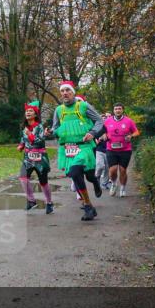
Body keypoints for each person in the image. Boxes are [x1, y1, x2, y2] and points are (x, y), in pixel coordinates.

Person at [46, 81, 105, 221]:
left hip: (83, 146)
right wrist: (49, 133)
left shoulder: (83, 106)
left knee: (89, 175)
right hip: (67, 148)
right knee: (74, 173)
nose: (65, 93)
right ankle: (88, 206)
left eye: (68, 90)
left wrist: (92, 133)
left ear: (73, 92)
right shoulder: (59, 110)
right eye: (62, 91)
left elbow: (99, 121)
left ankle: (95, 182)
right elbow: (56, 128)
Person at [17, 101, 54, 214]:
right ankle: (31, 201)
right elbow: (23, 139)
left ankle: (49, 202)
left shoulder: (39, 127)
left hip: (40, 158)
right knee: (23, 178)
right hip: (28, 158)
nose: (28, 112)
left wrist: (29, 134)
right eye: (27, 111)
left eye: (30, 111)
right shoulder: (25, 127)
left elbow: (39, 141)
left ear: (35, 114)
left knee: (43, 182)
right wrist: (21, 145)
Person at [102, 103, 141, 197]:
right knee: (113, 170)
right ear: (113, 111)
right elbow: (102, 131)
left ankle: (123, 188)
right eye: (116, 109)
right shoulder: (107, 121)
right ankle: (114, 184)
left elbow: (137, 132)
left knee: (123, 170)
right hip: (111, 149)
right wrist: (103, 135)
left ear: (122, 110)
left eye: (119, 109)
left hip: (125, 149)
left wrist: (131, 136)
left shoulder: (129, 121)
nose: (117, 110)